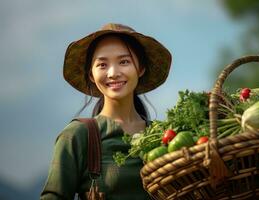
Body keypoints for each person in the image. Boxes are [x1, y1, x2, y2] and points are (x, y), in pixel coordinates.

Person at [40, 23, 172, 200]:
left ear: (140, 68)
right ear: (91, 75)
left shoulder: (163, 136)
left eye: (124, 62)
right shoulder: (77, 136)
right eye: (102, 64)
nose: (113, 73)